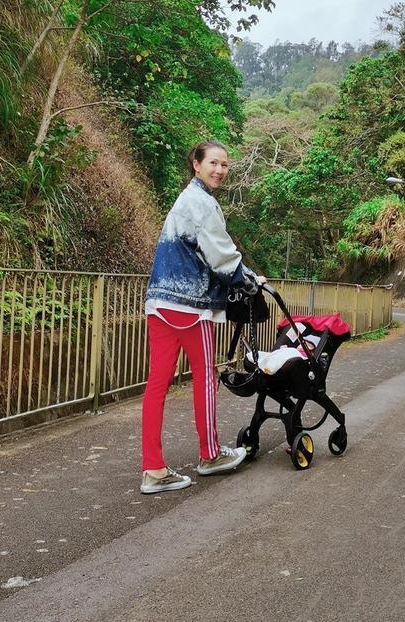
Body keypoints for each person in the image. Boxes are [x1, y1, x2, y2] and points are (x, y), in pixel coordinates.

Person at [140, 140, 265, 494]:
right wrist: (253, 281)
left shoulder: (184, 200)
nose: (220, 170)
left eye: (225, 165)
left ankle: (153, 469)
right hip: (190, 306)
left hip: (160, 302)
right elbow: (222, 257)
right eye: (213, 162)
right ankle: (210, 455)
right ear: (196, 164)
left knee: (157, 385)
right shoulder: (203, 203)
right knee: (206, 379)